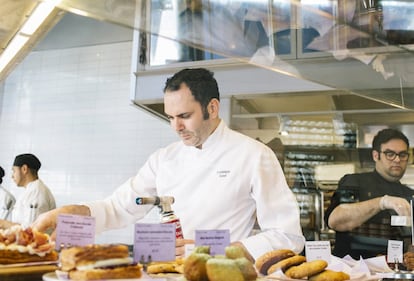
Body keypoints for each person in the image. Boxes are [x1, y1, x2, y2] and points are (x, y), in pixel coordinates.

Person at [32, 68, 305, 260]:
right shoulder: (164, 158)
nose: (176, 127)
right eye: (170, 117)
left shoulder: (254, 155)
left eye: (184, 116)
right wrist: (73, 213)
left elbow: (288, 236)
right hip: (166, 272)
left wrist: (223, 250)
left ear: (212, 108)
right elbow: (118, 208)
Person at [325, 128, 414, 260]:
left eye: (402, 154)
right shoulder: (354, 182)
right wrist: (382, 202)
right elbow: (335, 221)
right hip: (353, 272)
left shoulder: (408, 194)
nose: (397, 160)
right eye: (390, 154)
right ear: (375, 155)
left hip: (393, 273)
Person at [0, 153, 56, 229]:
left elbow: (30, 229)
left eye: (14, 171)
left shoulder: (36, 192)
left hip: (34, 240)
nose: (12, 176)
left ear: (24, 169)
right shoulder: (31, 190)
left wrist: (3, 223)